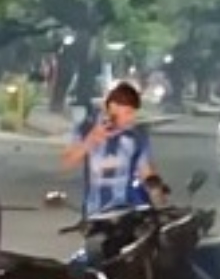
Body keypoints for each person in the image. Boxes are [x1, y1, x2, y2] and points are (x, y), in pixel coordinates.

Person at [61, 81, 158, 215]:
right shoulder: (86, 128)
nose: (132, 118)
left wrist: (157, 189)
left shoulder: (137, 135)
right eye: (128, 112)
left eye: (134, 112)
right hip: (96, 212)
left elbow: (144, 169)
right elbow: (67, 163)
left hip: (129, 211)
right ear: (113, 108)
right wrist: (89, 142)